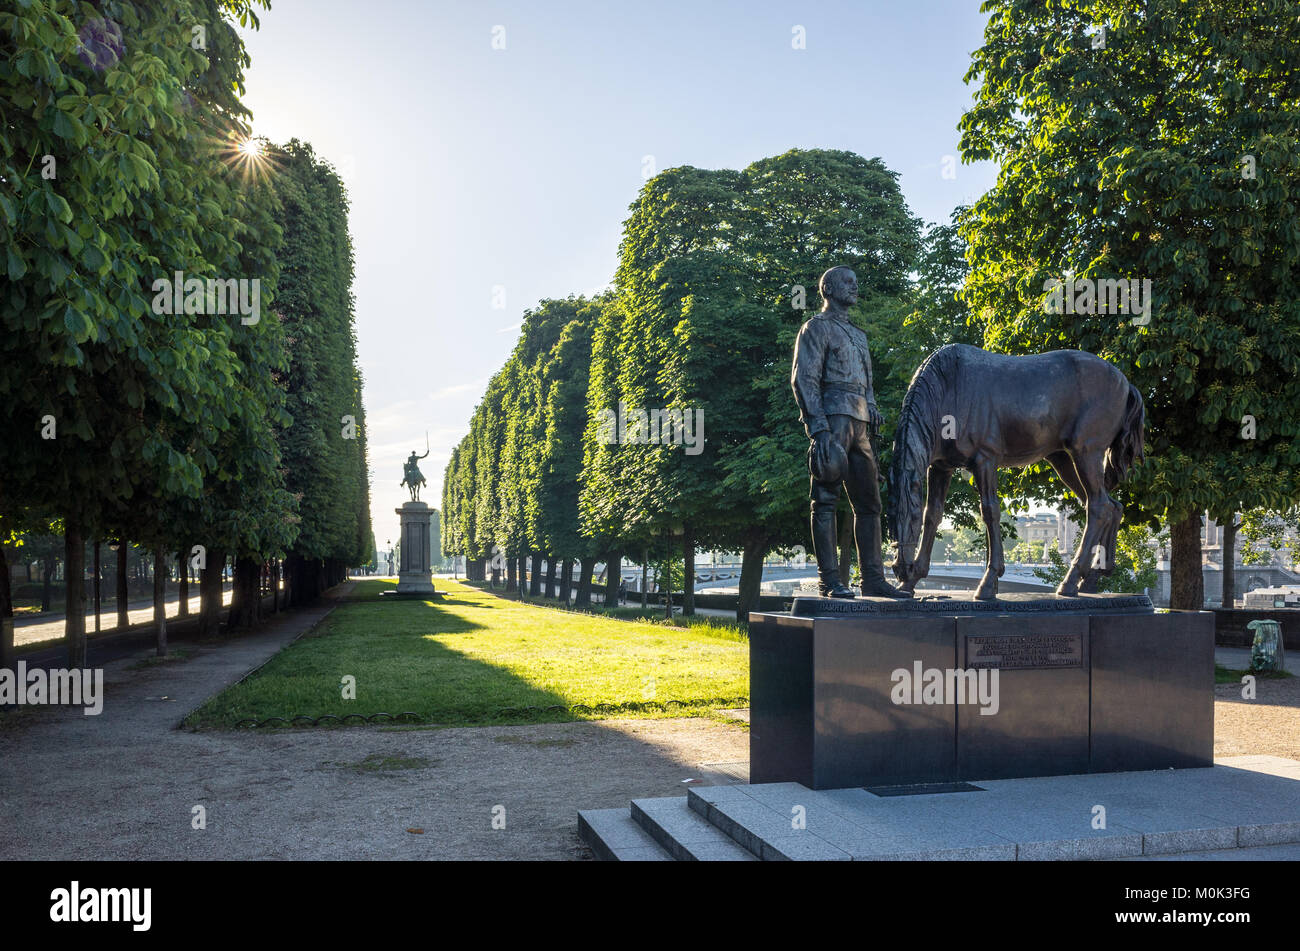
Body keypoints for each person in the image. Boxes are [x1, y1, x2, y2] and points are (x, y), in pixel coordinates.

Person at [791, 266, 909, 600]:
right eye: (848, 282)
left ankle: (872, 578)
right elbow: (804, 380)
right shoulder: (815, 328)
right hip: (833, 420)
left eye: (856, 281)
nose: (855, 286)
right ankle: (829, 580)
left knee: (870, 503)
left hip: (860, 425)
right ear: (827, 288)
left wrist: (871, 405)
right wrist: (819, 428)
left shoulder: (859, 335)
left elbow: (867, 382)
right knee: (825, 500)